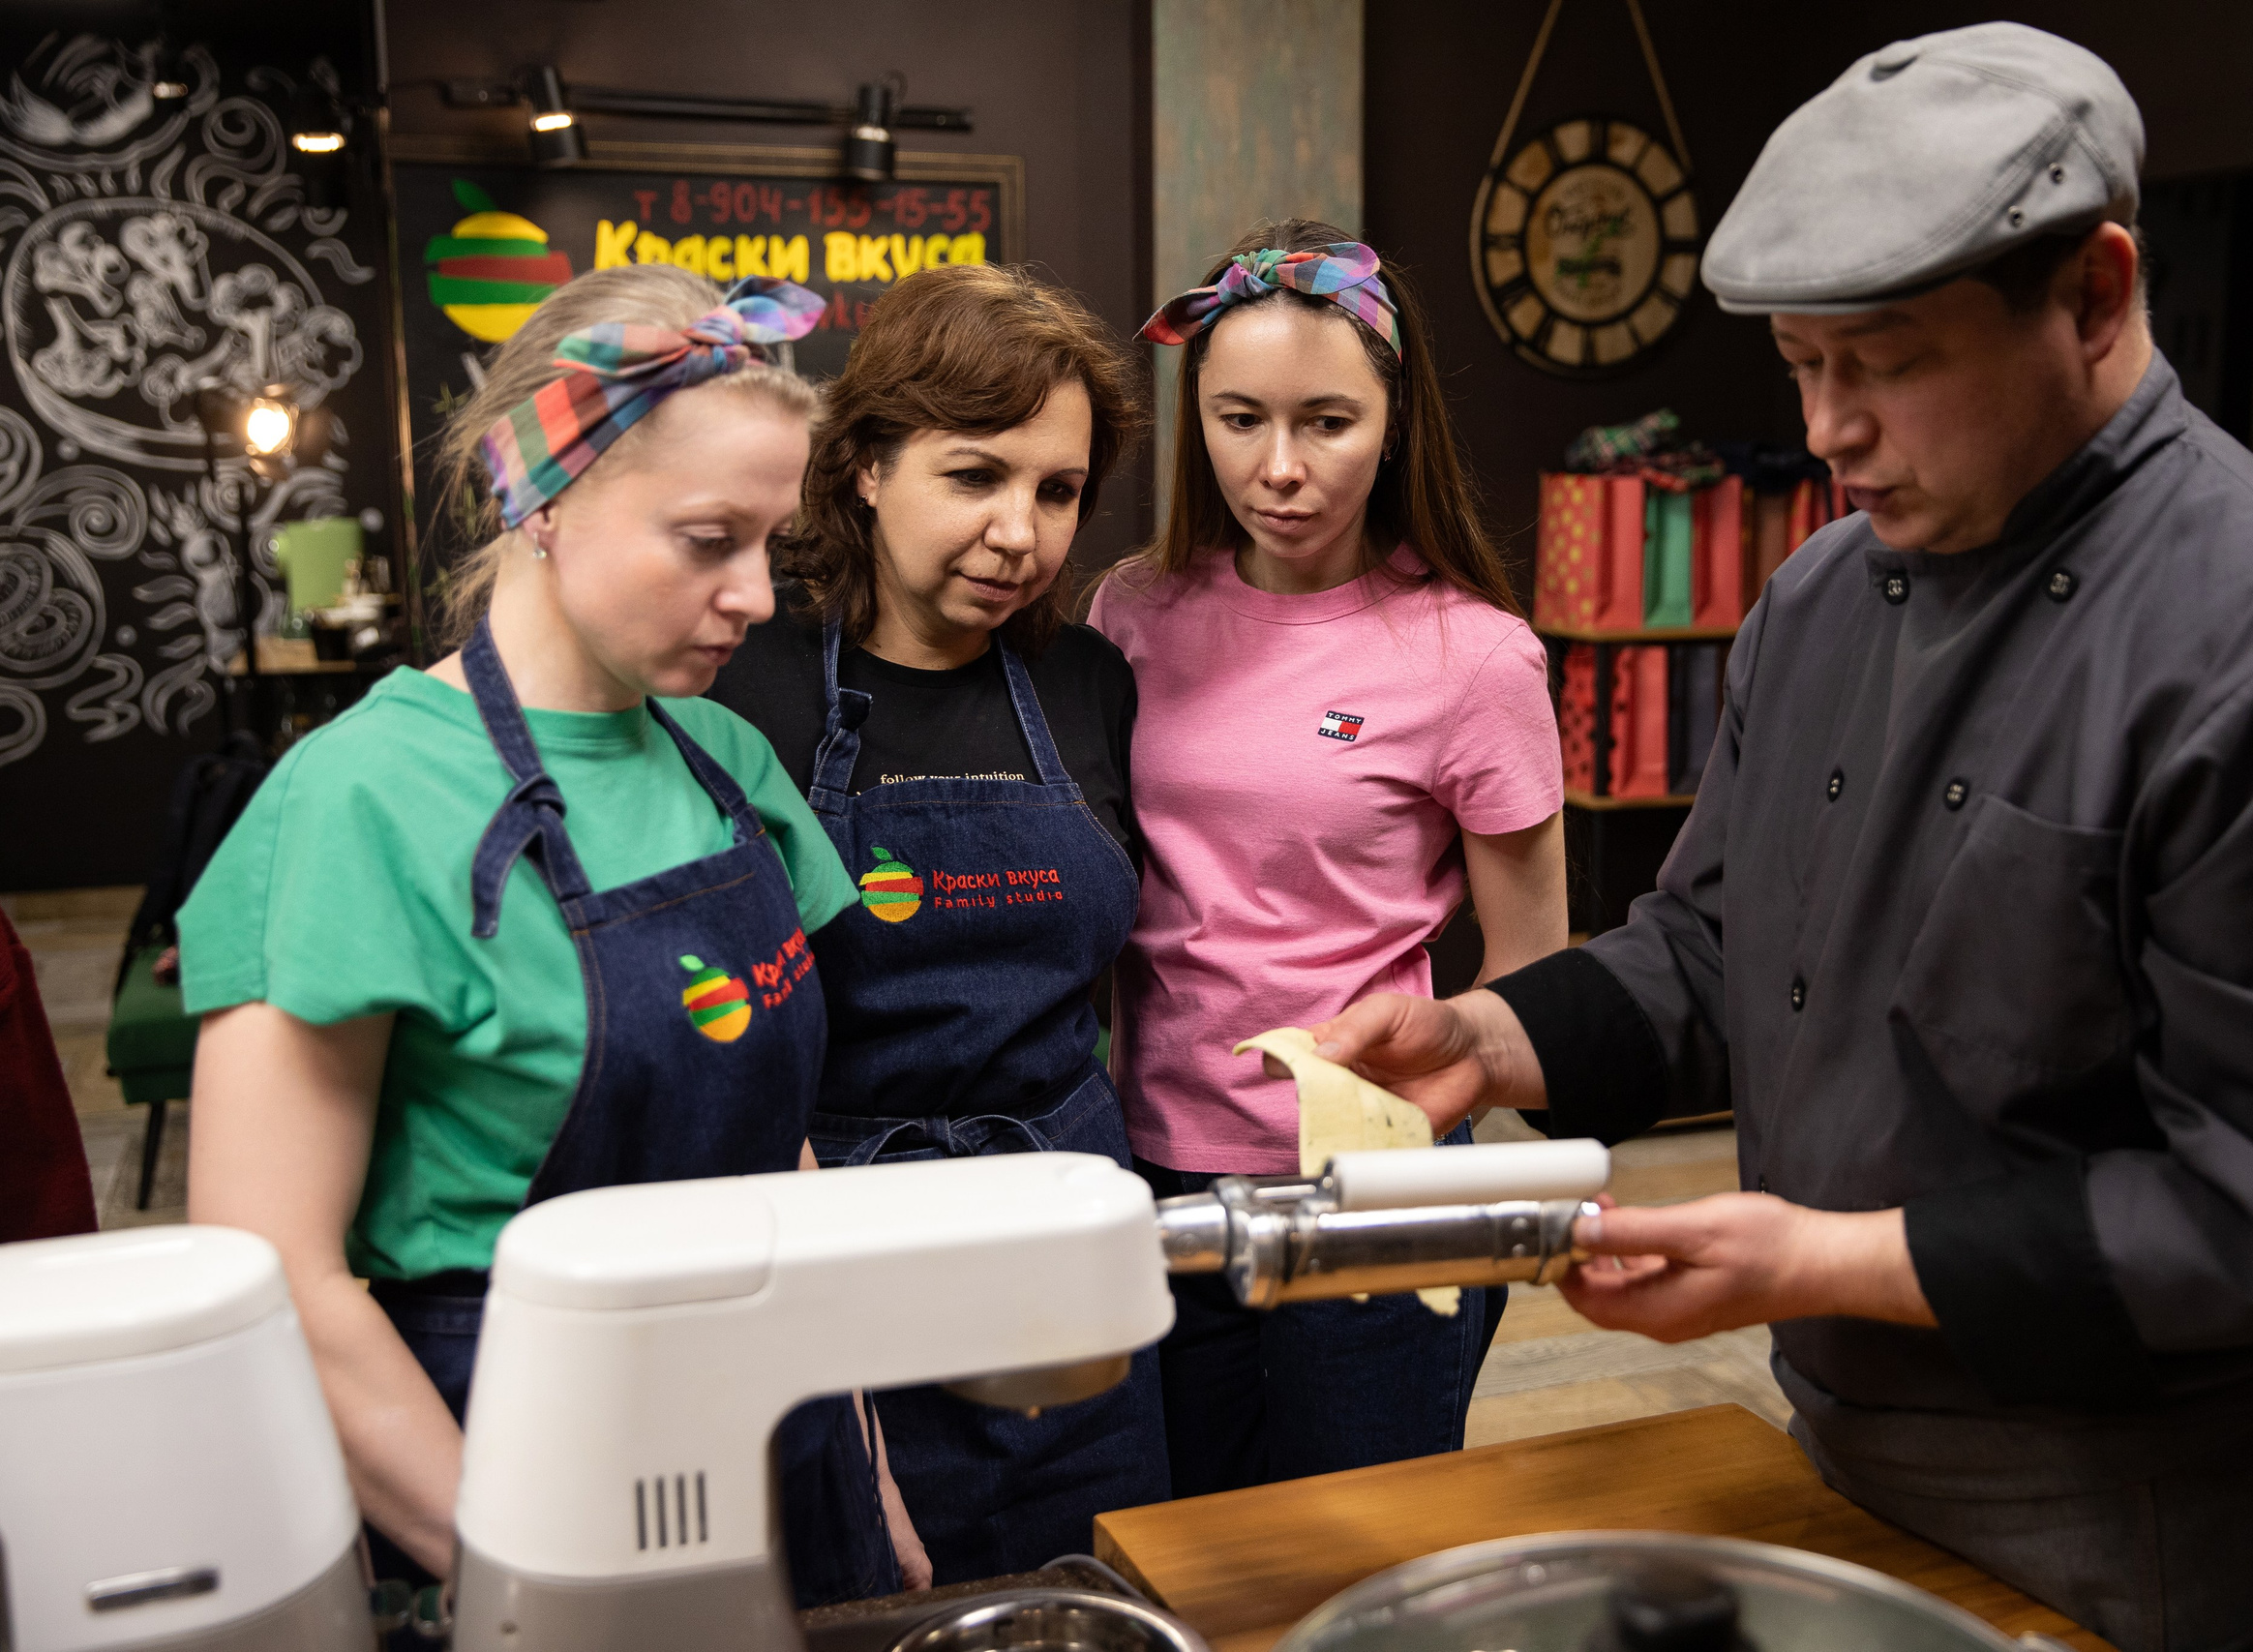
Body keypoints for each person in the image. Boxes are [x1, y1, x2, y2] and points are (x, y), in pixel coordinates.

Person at [1310, 25, 2253, 1652]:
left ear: (2095, 295)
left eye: (1886, 363)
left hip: (2185, 1521)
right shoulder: (1821, 597)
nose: (1828, 429)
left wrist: (1823, 1259)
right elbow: (1719, 945)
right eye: (1802, 365)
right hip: (1852, 1462)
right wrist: (1492, 1037)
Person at [182, 266, 925, 1614]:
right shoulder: (358, 802)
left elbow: (784, 1155)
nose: (757, 596)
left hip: (790, 1448)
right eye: (708, 539)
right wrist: (537, 1585)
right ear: (539, 498)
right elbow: (276, 1278)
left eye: (771, 544)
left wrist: (866, 1463)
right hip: (519, 1474)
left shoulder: (727, 764)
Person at [1087, 223, 1567, 1494]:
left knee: (1360, 1532)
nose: (1280, 467)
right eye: (1240, 419)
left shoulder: (1475, 656)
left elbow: (1531, 968)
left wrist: (1412, 1141)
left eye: (1328, 422)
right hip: (1156, 1163)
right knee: (1190, 1542)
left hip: (1369, 1178)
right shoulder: (1131, 611)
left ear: (1395, 426)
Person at [706, 261, 1164, 1581]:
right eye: (975, 476)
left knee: (1094, 1595)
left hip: (1068, 1236)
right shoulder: (744, 685)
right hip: (841, 1252)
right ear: (864, 468)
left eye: (1058, 491)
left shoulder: (1088, 683)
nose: (1022, 534)